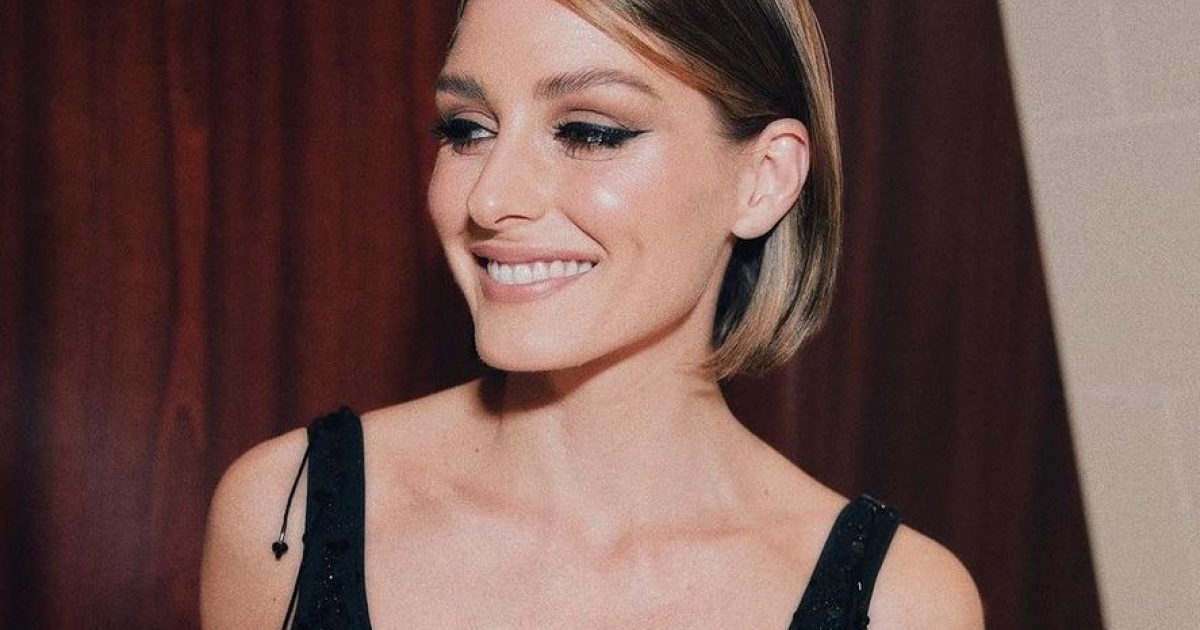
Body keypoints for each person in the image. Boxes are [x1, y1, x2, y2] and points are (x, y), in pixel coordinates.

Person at [201, 0, 985, 628]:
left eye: (588, 132)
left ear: (765, 179)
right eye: (467, 129)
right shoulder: (288, 515)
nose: (489, 198)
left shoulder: (901, 605)